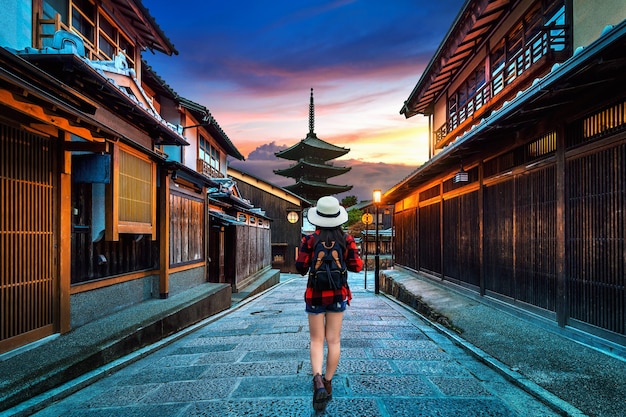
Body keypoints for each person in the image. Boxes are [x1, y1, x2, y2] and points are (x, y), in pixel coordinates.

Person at [296, 196, 363, 411]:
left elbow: (300, 267)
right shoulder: (347, 239)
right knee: (333, 340)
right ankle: (328, 382)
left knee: (316, 340)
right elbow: (357, 266)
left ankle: (316, 382)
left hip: (314, 294)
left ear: (318, 218)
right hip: (337, 295)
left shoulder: (309, 240)